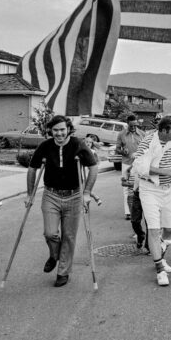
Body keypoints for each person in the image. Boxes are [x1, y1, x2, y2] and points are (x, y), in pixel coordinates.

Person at [27, 116, 98, 288]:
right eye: (55, 130)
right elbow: (32, 168)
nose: (59, 133)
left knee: (69, 236)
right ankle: (54, 254)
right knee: (50, 233)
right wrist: (30, 194)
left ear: (68, 129)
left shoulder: (78, 144)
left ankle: (63, 272)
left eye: (62, 129)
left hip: (74, 196)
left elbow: (93, 167)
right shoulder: (45, 146)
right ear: (50, 131)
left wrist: (87, 192)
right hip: (51, 195)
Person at [130, 115, 171, 287]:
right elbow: (140, 168)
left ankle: (158, 251)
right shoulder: (147, 142)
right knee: (154, 229)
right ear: (163, 130)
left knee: (170, 229)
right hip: (149, 189)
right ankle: (160, 268)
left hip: (168, 190)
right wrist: (163, 171)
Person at [116, 115, 144, 219]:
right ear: (127, 123)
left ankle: (138, 210)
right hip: (126, 163)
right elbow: (117, 148)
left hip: (139, 164)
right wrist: (123, 151)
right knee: (126, 187)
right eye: (131, 126)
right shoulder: (121, 134)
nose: (133, 127)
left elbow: (148, 148)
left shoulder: (142, 134)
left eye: (135, 125)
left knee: (139, 187)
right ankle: (128, 212)